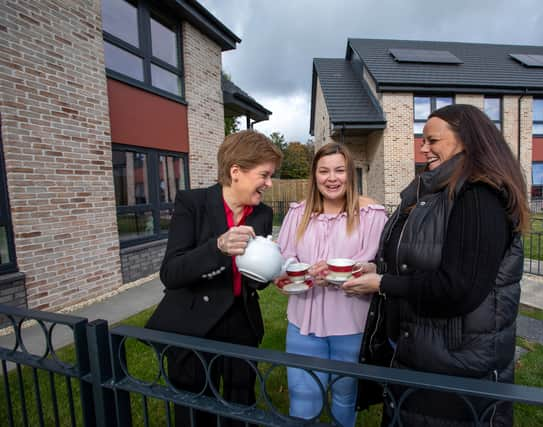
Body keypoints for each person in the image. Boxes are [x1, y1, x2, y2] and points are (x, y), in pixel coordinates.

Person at [343, 104, 529, 427]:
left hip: (456, 366)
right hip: (419, 353)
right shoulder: (434, 192)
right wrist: (379, 269)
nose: (423, 148)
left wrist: (383, 284)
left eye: (432, 140)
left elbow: (459, 287)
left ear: (466, 141)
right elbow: (418, 258)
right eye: (422, 140)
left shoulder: (479, 196)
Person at [145, 130, 282, 427]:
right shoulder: (192, 203)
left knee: (240, 406)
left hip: (241, 323)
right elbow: (171, 272)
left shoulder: (262, 214)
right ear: (236, 172)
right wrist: (218, 247)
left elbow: (254, 280)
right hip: (194, 324)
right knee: (194, 410)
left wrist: (269, 271)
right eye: (265, 175)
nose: (269, 184)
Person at [276, 142, 387, 427]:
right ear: (314, 176)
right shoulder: (297, 213)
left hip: (351, 322)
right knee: (303, 397)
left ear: (350, 174)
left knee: (345, 396)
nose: (332, 178)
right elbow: (284, 256)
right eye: (324, 171)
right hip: (303, 321)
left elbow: (379, 263)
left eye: (339, 170)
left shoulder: (371, 214)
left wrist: (360, 269)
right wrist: (299, 271)